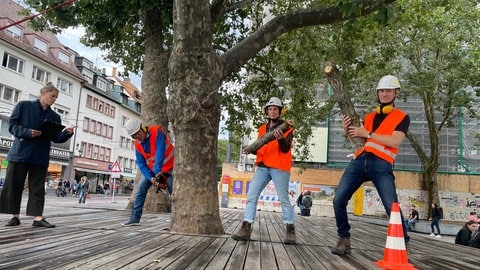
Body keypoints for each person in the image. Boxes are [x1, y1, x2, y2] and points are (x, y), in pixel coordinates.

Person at [331, 75, 411, 255]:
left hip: (382, 164)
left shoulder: (402, 117)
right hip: (360, 160)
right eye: (381, 91)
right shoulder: (369, 116)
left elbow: (395, 141)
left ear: (396, 93)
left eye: (388, 91)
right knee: (338, 199)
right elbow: (359, 141)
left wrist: (368, 133)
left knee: (392, 206)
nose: (384, 94)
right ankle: (344, 239)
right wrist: (348, 131)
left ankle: (403, 242)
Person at [0, 82, 75, 228]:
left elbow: (56, 138)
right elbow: (12, 126)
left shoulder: (55, 116)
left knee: (38, 187)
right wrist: (28, 132)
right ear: (43, 93)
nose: (54, 99)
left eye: (56, 97)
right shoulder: (23, 106)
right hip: (20, 153)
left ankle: (38, 218)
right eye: (53, 96)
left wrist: (66, 133)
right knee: (14, 185)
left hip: (40, 155)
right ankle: (15, 216)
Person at [231, 97, 296, 245]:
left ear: (280, 111)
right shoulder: (262, 128)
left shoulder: (288, 128)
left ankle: (290, 230)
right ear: (266, 111)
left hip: (279, 167)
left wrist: (280, 139)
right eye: (270, 109)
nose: (272, 111)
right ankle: (246, 228)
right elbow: (261, 148)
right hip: (263, 166)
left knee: (284, 199)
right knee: (251, 195)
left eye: (275, 109)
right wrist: (250, 150)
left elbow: (285, 149)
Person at [121, 119, 174, 226]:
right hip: (154, 171)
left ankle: (175, 218)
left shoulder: (156, 132)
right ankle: (135, 218)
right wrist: (151, 177)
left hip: (170, 166)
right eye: (134, 136)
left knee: (172, 190)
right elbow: (141, 164)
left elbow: (159, 154)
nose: (137, 137)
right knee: (141, 187)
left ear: (143, 128)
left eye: (138, 133)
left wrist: (156, 172)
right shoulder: (137, 144)